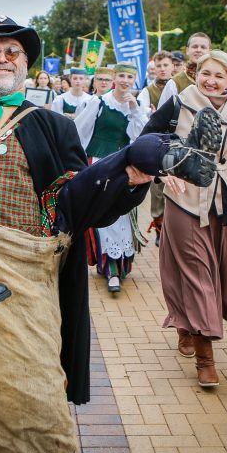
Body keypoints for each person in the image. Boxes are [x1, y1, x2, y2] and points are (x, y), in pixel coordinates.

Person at [0, 15, 221, 453]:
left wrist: (127, 178)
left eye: (13, 53)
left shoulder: (51, 125)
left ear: (25, 65)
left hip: (26, 287)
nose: (2, 59)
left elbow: (74, 205)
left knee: (37, 395)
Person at [141, 50, 227, 388]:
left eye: (219, 76)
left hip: (226, 202)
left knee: (222, 270)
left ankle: (185, 325)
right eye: (205, 73)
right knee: (198, 272)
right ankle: (206, 359)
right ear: (196, 74)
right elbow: (146, 141)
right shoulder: (178, 103)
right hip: (184, 198)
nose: (211, 81)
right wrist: (163, 170)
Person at [75, 62, 149, 292]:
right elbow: (80, 131)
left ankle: (120, 266)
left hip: (124, 167)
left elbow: (141, 136)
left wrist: (136, 109)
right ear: (114, 78)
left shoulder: (136, 105)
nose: (126, 80)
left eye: (130, 76)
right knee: (104, 216)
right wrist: (78, 165)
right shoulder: (98, 102)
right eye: (122, 76)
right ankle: (110, 269)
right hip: (99, 164)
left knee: (123, 215)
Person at [137, 51, 175, 247]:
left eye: (165, 65)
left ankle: (174, 229)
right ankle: (159, 228)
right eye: (158, 66)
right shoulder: (147, 91)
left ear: (172, 67)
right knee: (158, 189)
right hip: (156, 144)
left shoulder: (177, 87)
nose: (162, 69)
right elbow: (143, 116)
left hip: (176, 144)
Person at [158, 33, 211, 108]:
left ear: (209, 51)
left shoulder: (216, 80)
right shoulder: (175, 83)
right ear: (187, 50)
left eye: (203, 47)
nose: (198, 50)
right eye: (195, 46)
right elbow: (161, 115)